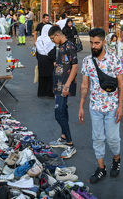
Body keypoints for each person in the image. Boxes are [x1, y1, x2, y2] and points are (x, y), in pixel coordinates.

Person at [78, 28, 123, 184]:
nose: (93, 46)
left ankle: (116, 160)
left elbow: (121, 84)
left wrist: (120, 106)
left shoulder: (114, 59)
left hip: (112, 107)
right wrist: (81, 106)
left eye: (97, 43)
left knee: (113, 139)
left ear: (104, 42)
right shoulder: (87, 61)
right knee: (97, 138)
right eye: (91, 43)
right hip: (94, 107)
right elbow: (85, 85)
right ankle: (101, 168)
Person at [48, 25, 78, 159]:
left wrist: (67, 85)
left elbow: (75, 66)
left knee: (58, 113)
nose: (52, 41)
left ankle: (70, 144)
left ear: (58, 35)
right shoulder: (60, 46)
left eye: (52, 38)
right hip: (58, 84)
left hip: (64, 86)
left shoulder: (69, 46)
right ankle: (63, 137)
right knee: (63, 110)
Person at [35, 24, 55, 98]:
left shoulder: (39, 39)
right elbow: (52, 53)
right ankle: (49, 92)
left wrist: (40, 58)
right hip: (49, 61)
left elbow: (37, 51)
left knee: (41, 77)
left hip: (41, 60)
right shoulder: (50, 40)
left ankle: (41, 93)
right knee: (49, 77)